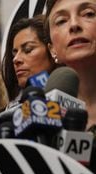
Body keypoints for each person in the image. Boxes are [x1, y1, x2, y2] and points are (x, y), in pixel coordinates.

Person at [45, 0, 96, 128]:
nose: (74, 25)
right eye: (61, 21)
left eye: (89, 14)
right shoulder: (41, 113)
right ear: (52, 50)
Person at [2, 14, 58, 107]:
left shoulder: (77, 97)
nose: (16, 59)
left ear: (52, 49)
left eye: (28, 49)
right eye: (14, 54)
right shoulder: (9, 111)